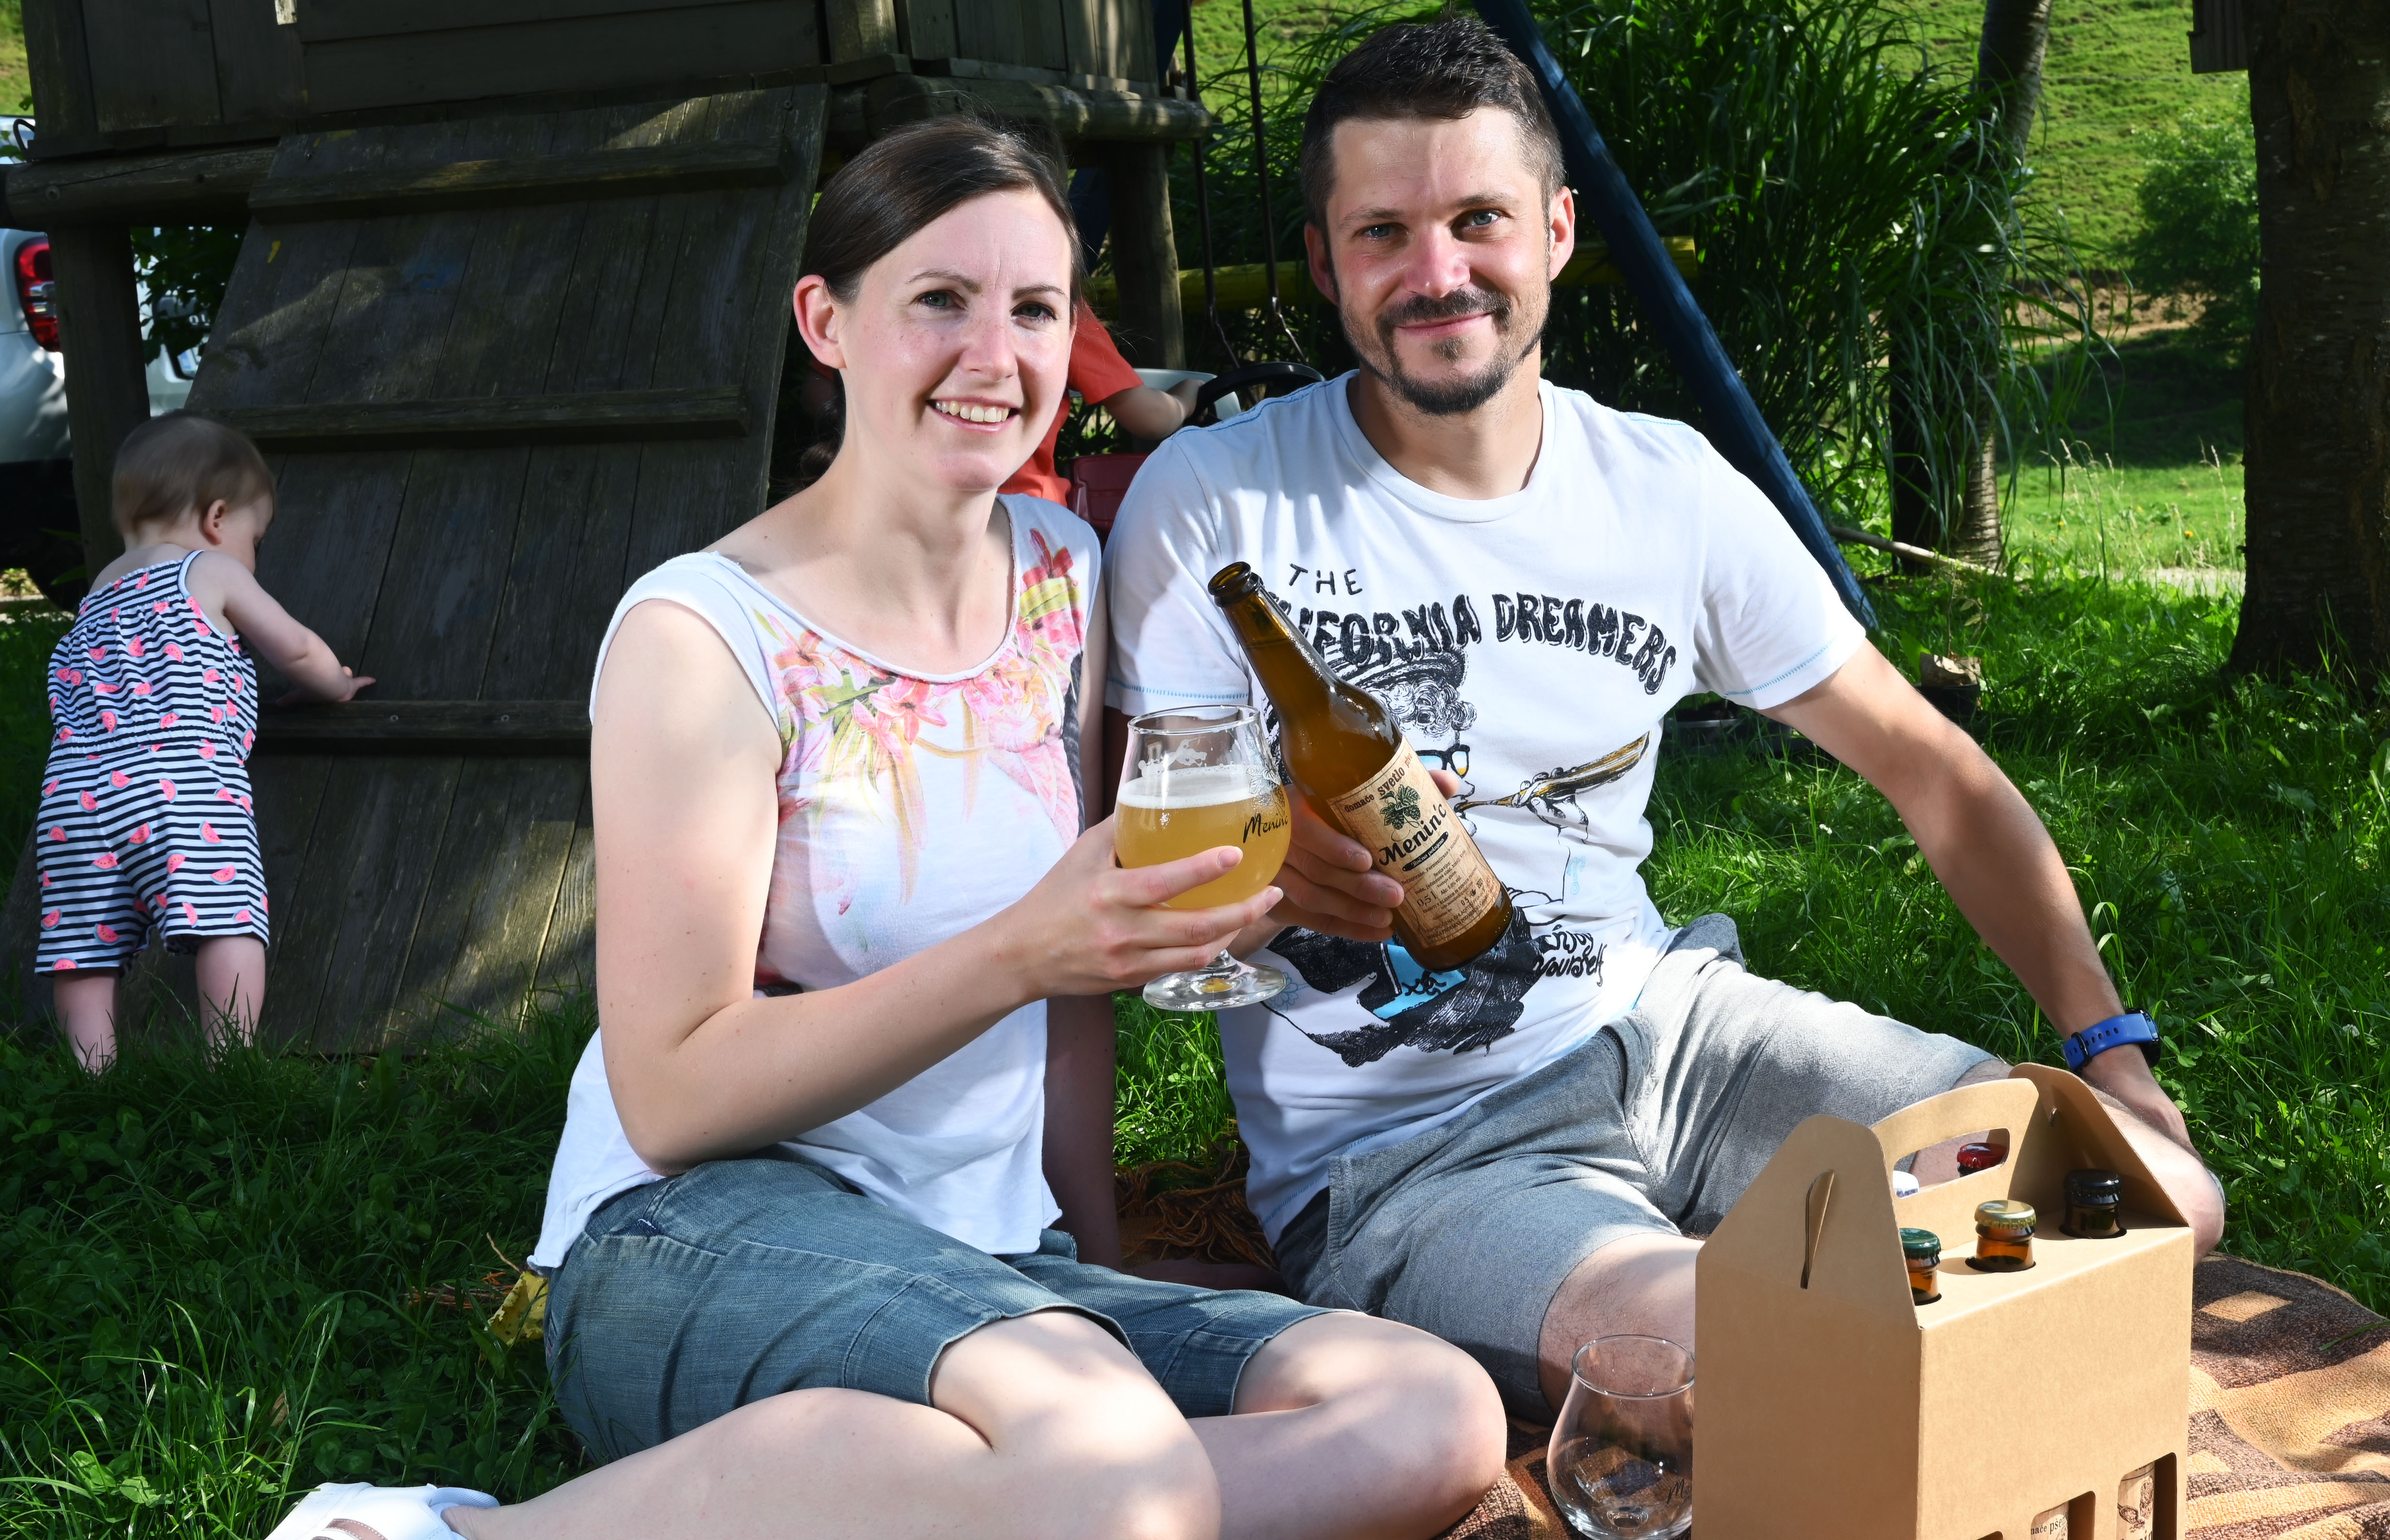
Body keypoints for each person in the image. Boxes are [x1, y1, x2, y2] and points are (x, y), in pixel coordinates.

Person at [269, 118, 1499, 1540]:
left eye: (1035, 308)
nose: (997, 354)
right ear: (827, 322)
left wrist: (1095, 1256)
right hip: (704, 1226)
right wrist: (1022, 950)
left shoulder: (1062, 575)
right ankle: (428, 1533)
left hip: (988, 1261)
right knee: (1111, 1457)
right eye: (940, 299)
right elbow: (672, 1092)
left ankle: (966, 1495)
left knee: (1428, 1411)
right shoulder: (702, 634)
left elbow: (1077, 990)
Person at [1102, 18, 2227, 1426]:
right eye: (1383, 232)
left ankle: (1819, 1301)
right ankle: (1761, 1315)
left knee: (2155, 1194)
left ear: (1557, 232)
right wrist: (1270, 882)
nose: (1437, 272)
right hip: (1415, 1147)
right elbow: (1142, 870)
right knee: (1737, 1367)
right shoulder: (1215, 503)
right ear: (1326, 265)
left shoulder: (1664, 487)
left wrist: (2108, 1045)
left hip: (1680, 1034)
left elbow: (1932, 771)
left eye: (1478, 219)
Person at [36, 412, 370, 1068]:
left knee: (83, 949)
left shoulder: (96, 595)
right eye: (256, 538)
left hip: (72, 798)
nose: (254, 553)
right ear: (218, 519)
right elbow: (297, 649)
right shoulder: (208, 569)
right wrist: (337, 684)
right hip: (179, 781)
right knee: (227, 916)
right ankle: (228, 1063)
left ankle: (90, 1075)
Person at [999, 307, 1201, 508]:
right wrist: (1185, 401)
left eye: (1032, 311)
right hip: (1030, 510)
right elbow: (1154, 417)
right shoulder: (1061, 303)